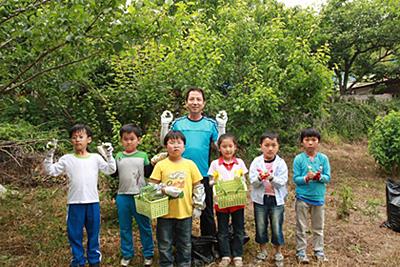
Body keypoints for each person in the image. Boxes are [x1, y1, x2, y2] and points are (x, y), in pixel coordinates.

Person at [43, 124, 116, 267]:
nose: (77, 140)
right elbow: (50, 171)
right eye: (74, 137)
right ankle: (78, 261)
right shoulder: (67, 159)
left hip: (93, 202)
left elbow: (110, 169)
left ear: (89, 139)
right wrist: (49, 153)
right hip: (74, 203)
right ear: (71, 140)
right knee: (74, 234)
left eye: (81, 137)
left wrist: (109, 154)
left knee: (93, 233)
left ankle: (94, 260)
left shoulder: (95, 158)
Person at [159, 87, 227, 237]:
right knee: (179, 210)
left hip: (202, 174)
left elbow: (220, 146)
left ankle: (208, 244)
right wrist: (165, 124)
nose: (195, 102)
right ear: (186, 103)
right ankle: (181, 244)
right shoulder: (178, 123)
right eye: (191, 99)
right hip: (179, 175)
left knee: (206, 211)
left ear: (204, 103)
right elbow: (165, 142)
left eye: (198, 99)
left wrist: (221, 126)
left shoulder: (210, 124)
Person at [149, 130, 205, 267]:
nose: (175, 146)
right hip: (164, 212)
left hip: (185, 212)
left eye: (179, 143)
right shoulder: (161, 165)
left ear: (184, 147)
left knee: (185, 242)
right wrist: (163, 189)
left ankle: (184, 264)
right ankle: (166, 264)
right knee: (164, 242)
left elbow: (198, 186)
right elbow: (150, 187)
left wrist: (198, 205)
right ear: (166, 146)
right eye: (171, 142)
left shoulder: (190, 164)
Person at [113, 124, 154, 267]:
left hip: (140, 196)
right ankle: (127, 254)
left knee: (145, 226)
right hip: (123, 196)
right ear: (121, 140)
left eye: (132, 139)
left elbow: (149, 173)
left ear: (139, 140)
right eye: (125, 139)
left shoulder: (143, 156)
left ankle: (148, 254)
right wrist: (107, 157)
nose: (128, 142)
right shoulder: (118, 156)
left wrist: (153, 162)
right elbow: (114, 173)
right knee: (125, 227)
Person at [207, 133, 248, 267]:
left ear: (235, 147)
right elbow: (210, 181)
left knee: (239, 229)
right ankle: (225, 255)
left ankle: (237, 255)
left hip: (237, 201)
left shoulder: (239, 163)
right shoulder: (215, 164)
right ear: (219, 148)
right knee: (223, 230)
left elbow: (244, 179)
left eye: (230, 146)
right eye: (224, 146)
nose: (227, 149)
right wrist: (215, 182)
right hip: (222, 202)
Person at [249, 131, 288, 266]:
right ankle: (263, 250)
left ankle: (278, 251)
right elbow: (252, 181)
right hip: (260, 199)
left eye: (273, 145)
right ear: (261, 146)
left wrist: (271, 177)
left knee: (276, 225)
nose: (270, 148)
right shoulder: (256, 162)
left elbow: (282, 181)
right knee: (261, 225)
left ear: (278, 146)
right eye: (266, 145)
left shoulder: (281, 163)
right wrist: (260, 178)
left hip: (276, 200)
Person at [293, 128, 331, 263]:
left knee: (318, 227)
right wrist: (306, 178)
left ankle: (318, 251)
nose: (310, 143)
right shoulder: (299, 159)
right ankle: (301, 252)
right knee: (301, 227)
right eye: (307, 140)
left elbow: (328, 177)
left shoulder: (323, 159)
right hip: (302, 198)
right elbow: (296, 179)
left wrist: (319, 177)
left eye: (313, 140)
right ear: (302, 142)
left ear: (318, 142)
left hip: (318, 198)